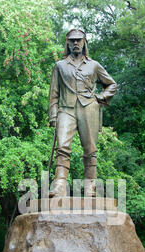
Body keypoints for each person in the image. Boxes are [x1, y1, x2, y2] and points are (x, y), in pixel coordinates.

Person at [48, 29, 117, 197]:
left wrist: (100, 97)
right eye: (72, 41)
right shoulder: (60, 66)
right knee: (62, 146)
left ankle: (90, 187)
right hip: (66, 109)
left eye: (79, 40)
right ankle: (59, 185)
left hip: (89, 108)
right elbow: (54, 93)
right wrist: (53, 115)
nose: (76, 43)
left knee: (90, 149)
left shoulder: (94, 65)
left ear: (84, 41)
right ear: (68, 43)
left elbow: (112, 84)